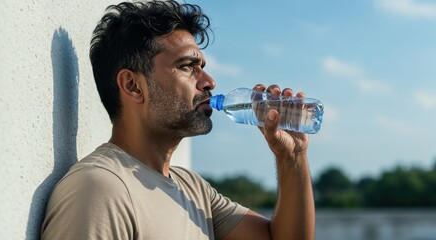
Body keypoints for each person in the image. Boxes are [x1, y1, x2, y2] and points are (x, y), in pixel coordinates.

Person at [41, 1, 315, 239]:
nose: (209, 82)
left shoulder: (193, 188)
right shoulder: (100, 190)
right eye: (187, 67)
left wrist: (292, 158)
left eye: (202, 68)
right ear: (133, 86)